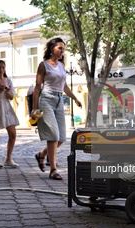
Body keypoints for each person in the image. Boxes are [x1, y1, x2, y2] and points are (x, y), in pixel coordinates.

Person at [32, 37, 82, 180]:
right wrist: (34, 108)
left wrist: (75, 98)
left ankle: (41, 154)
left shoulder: (61, 65)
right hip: (46, 100)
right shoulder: (44, 65)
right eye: (60, 48)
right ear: (52, 49)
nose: (62, 51)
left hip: (60, 100)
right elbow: (37, 87)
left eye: (63, 49)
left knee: (61, 138)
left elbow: (64, 86)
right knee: (53, 135)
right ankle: (53, 169)